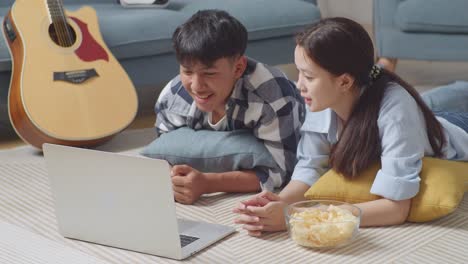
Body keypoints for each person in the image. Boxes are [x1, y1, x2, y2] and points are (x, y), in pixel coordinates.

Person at [233, 17, 468, 236]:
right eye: (299, 74)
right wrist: (280, 202)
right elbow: (310, 167)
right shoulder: (322, 100)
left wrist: (296, 217)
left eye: (308, 77)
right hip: (421, 118)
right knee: (431, 102)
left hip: (455, 129)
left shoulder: (396, 112)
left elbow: (396, 208)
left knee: (453, 97)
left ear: (344, 81)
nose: (299, 86)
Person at [154, 10, 305, 204]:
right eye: (187, 71)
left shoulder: (272, 98)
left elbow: (280, 170)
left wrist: (208, 183)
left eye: (209, 73)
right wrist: (173, 178)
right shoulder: (173, 96)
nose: (196, 86)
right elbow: (161, 150)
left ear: (238, 68)